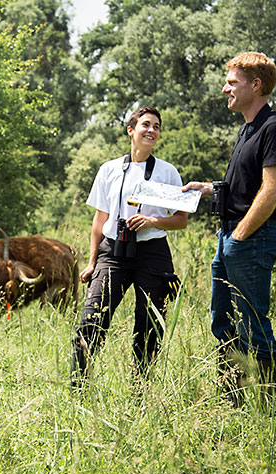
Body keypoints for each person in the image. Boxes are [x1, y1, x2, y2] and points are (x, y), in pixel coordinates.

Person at [182, 52, 276, 403]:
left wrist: (241, 234)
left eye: (232, 82)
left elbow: (271, 191)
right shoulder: (248, 128)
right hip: (227, 237)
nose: (225, 88)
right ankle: (232, 400)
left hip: (250, 240)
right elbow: (244, 186)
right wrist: (209, 189)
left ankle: (271, 406)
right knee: (224, 321)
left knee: (253, 324)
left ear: (255, 85)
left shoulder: (274, 127)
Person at [71, 106, 188, 388]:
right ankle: (77, 388)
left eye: (157, 126)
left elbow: (181, 220)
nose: (151, 130)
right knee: (92, 320)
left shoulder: (167, 172)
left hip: (153, 252)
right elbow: (99, 219)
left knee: (149, 325)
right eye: (146, 124)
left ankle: (140, 391)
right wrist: (91, 261)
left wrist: (151, 221)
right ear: (131, 131)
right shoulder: (109, 169)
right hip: (113, 251)